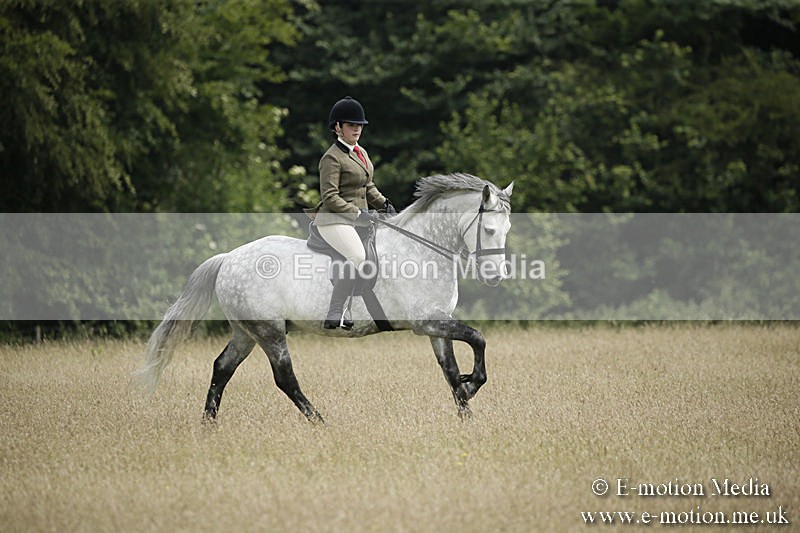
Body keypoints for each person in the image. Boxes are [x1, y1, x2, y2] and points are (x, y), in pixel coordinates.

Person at [311, 96, 395, 329]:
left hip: (359, 219)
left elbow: (367, 186)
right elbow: (330, 196)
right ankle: (336, 310)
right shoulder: (331, 158)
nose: (357, 129)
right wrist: (359, 215)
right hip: (333, 219)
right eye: (351, 125)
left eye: (359, 125)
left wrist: (384, 203)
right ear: (337, 127)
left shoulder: (361, 153)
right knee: (358, 257)